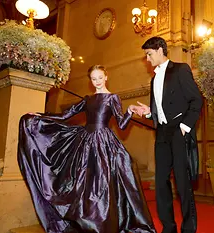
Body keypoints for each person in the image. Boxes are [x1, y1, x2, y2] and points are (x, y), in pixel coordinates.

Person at [17, 65, 156, 233]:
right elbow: (65, 115)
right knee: (83, 184)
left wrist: (129, 111)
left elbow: (122, 125)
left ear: (106, 77)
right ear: (90, 80)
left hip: (104, 143)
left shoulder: (112, 98)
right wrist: (41, 115)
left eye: (99, 77)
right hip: (85, 142)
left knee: (103, 183)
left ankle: (103, 224)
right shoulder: (88, 99)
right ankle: (87, 222)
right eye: (93, 78)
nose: (97, 81)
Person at [136, 37, 203, 233]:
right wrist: (149, 113)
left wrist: (185, 126)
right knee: (161, 183)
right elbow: (161, 110)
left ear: (159, 50)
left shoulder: (181, 69)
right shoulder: (154, 78)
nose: (147, 59)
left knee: (183, 183)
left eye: (149, 54)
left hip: (179, 131)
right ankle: (168, 228)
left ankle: (189, 228)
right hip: (162, 133)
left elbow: (196, 100)